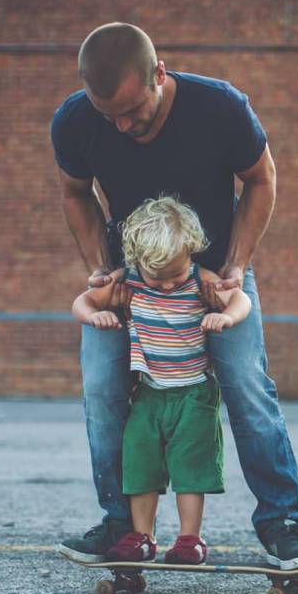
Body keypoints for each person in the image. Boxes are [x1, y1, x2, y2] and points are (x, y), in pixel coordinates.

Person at [51, 22, 298, 569]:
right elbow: (75, 194)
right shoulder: (76, 122)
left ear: (159, 73)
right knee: (103, 386)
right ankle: (121, 526)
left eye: (135, 111)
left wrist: (234, 268)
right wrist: (102, 272)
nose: (123, 126)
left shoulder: (219, 108)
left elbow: (263, 179)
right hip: (131, 277)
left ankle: (283, 522)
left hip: (216, 273)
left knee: (246, 384)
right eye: (111, 117)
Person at [72, 196, 249, 564]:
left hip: (194, 395)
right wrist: (94, 317)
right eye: (158, 277)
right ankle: (141, 537)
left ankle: (189, 539)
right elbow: (82, 302)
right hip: (149, 395)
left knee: (191, 467)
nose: (168, 285)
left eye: (176, 275)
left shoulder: (201, 279)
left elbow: (241, 300)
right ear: (138, 262)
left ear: (191, 256)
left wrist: (227, 317)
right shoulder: (130, 280)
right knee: (140, 465)